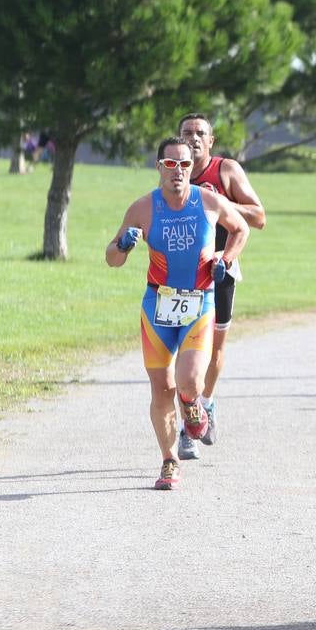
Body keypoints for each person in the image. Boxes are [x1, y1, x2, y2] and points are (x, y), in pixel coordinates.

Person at [106, 137, 249, 489]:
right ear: (159, 167)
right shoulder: (143, 208)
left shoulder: (209, 201)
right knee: (161, 387)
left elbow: (241, 228)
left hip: (199, 301)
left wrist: (225, 259)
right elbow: (111, 257)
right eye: (170, 164)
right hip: (158, 305)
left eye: (184, 165)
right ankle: (169, 461)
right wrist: (123, 246)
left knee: (188, 381)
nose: (178, 171)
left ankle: (192, 404)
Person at [178, 113, 267, 460]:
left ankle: (207, 403)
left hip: (220, 271)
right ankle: (188, 426)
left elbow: (259, 217)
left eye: (201, 133)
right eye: (188, 132)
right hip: (182, 276)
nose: (194, 138)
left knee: (213, 349)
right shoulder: (175, 172)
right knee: (184, 353)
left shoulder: (225, 170)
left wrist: (218, 203)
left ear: (211, 141)